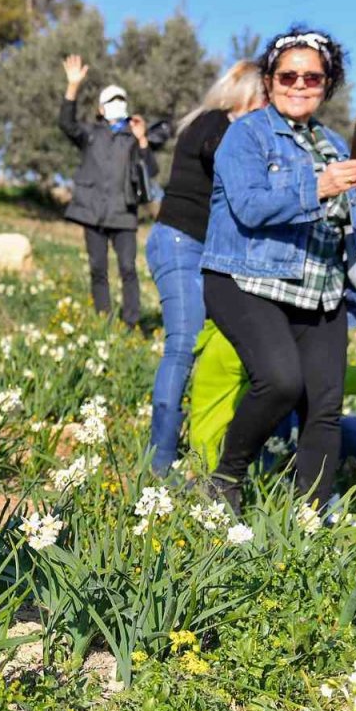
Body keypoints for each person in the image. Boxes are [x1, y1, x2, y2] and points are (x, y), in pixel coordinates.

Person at [200, 25, 356, 513]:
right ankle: (225, 478)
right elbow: (249, 207)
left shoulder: (336, 145)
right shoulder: (247, 135)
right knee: (281, 381)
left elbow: (346, 235)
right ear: (269, 78)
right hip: (246, 279)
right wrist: (318, 185)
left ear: (327, 84)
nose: (299, 85)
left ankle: (309, 522)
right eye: (288, 75)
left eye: (313, 77)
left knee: (324, 409)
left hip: (319, 291)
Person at [145, 62, 266, 475]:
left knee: (213, 346)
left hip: (204, 250)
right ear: (248, 96)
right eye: (265, 97)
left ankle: (207, 445)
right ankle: (158, 462)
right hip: (179, 241)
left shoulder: (219, 125)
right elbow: (225, 156)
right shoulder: (215, 123)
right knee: (182, 344)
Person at [187, 320, 356, 508]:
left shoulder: (265, 325)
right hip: (234, 455)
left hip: (271, 430)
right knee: (320, 429)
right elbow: (317, 375)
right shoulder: (240, 336)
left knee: (352, 427)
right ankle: (323, 519)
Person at [59, 56, 156, 328]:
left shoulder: (132, 137)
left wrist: (142, 139)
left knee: (128, 269)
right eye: (111, 101)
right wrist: (72, 87)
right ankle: (104, 321)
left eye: (120, 100)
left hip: (123, 214)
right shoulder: (90, 133)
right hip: (92, 213)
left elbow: (151, 170)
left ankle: (131, 324)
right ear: (100, 109)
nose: (116, 106)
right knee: (98, 269)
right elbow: (66, 124)